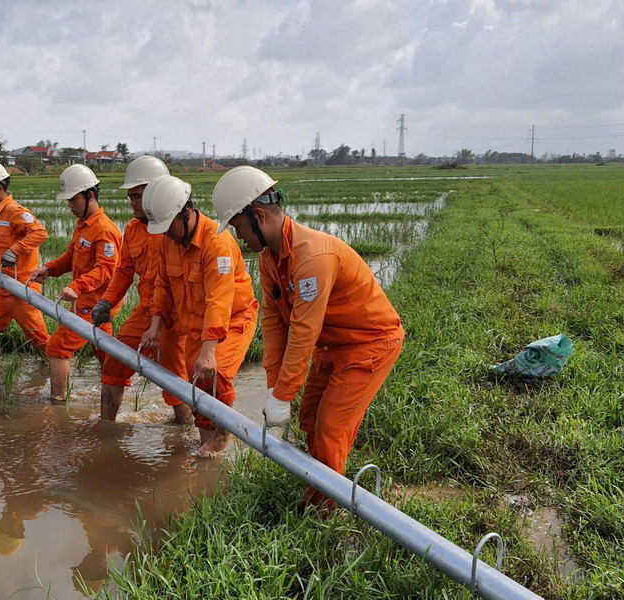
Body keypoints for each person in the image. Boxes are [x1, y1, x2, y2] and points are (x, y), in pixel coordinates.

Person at [212, 166, 404, 511]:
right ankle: (323, 483)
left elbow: (303, 331)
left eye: (239, 227)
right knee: (309, 418)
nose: (239, 236)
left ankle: (322, 510)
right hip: (332, 344)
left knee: (330, 426)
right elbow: (273, 325)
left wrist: (284, 393)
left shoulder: (312, 257)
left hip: (369, 343)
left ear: (258, 216)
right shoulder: (270, 259)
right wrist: (274, 387)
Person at [139, 175, 258, 457]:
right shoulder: (168, 241)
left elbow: (219, 299)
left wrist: (209, 351)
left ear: (185, 212)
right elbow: (163, 284)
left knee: (218, 375)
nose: (165, 233)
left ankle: (222, 433)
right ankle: (209, 448)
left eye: (168, 226)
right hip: (194, 324)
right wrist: (155, 327)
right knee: (198, 384)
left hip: (232, 320)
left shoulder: (217, 243)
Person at [91, 156, 190, 423]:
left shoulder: (174, 229)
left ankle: (186, 430)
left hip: (173, 317)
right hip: (144, 311)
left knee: (174, 378)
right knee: (115, 362)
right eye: (130, 196)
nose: (132, 201)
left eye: (137, 195)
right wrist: (106, 303)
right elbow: (123, 271)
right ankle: (105, 427)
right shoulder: (133, 229)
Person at [30, 164, 122, 400]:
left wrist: (76, 286)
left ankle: (58, 403)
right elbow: (71, 258)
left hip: (94, 306)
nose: (69, 205)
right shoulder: (83, 226)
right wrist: (48, 269)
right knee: (109, 361)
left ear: (89, 195)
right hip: (87, 306)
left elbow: (106, 269)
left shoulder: (104, 229)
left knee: (57, 349)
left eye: (73, 199)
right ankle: (117, 397)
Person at [0, 160, 50, 367]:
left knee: (39, 340)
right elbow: (6, 237)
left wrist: (15, 251)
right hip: (1, 285)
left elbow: (39, 232)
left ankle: (54, 370)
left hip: (21, 287)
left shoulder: (15, 210)